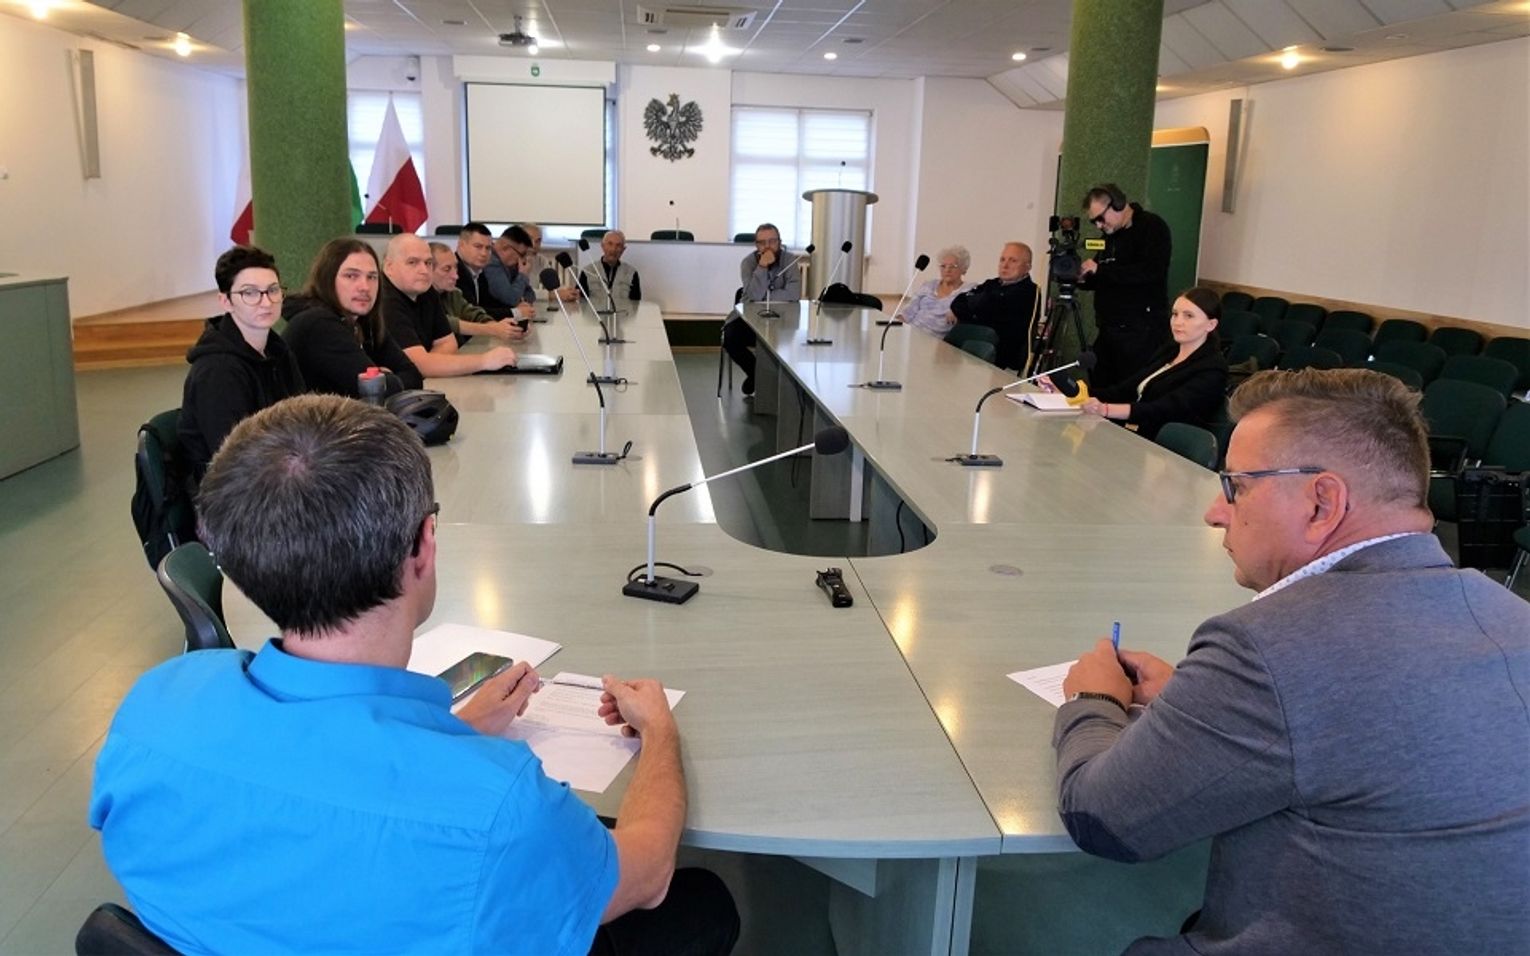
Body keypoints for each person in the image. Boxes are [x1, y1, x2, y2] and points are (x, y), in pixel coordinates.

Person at [91, 396, 741, 956]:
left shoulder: (153, 706)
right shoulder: (499, 808)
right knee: (704, 903)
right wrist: (659, 733)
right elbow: (647, 875)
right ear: (424, 545)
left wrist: (454, 733)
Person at [1054, 368, 1530, 955]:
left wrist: (1095, 699)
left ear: (1321, 502)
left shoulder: (1264, 648)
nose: (1215, 512)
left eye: (1235, 487)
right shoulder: (1512, 615)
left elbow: (1102, 818)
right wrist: (1198, 704)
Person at [177, 245, 303, 483]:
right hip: (229, 488)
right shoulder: (217, 370)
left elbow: (300, 417)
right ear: (225, 301)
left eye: (273, 290)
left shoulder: (279, 351)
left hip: (276, 471)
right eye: (250, 293)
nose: (266, 302)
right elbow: (232, 458)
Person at [1072, 287, 1229, 441]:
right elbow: (1124, 391)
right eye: (1175, 314)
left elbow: (1164, 409)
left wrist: (1105, 409)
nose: (1178, 322)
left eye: (1189, 316)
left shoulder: (1212, 368)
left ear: (1211, 325)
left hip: (1163, 445)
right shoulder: (1170, 351)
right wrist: (1072, 391)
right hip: (1135, 432)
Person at [284, 238, 423, 398]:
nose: (365, 287)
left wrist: (383, 379)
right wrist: (387, 377)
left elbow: (414, 376)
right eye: (351, 276)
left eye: (372, 277)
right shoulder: (318, 323)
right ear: (328, 279)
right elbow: (375, 390)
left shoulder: (365, 322)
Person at [382, 233, 518, 377]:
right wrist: (485, 361)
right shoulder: (385, 301)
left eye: (428, 263)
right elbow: (419, 365)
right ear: (389, 267)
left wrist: (430, 363)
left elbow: (449, 343)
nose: (424, 270)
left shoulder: (426, 291)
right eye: (412, 262)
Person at [1077, 183, 1172, 386]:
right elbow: (1104, 275)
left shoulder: (1152, 227)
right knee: (1100, 387)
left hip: (1140, 332)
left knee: (1129, 390)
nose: (1099, 226)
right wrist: (1083, 278)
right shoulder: (1110, 236)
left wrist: (1101, 270)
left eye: (1100, 218)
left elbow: (1150, 272)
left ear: (1117, 204)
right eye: (1094, 222)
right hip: (1109, 330)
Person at [723, 222, 801, 396]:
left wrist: (764, 296)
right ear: (756, 245)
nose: (767, 246)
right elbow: (753, 295)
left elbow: (794, 294)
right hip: (750, 317)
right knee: (730, 337)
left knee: (791, 340)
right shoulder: (748, 263)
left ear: (779, 242)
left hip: (782, 320)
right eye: (762, 242)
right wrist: (762, 267)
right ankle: (756, 374)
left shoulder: (790, 261)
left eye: (772, 241)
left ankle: (773, 381)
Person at [948, 242, 1040, 372]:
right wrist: (975, 309)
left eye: (1013, 261)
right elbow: (959, 301)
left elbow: (996, 319)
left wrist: (973, 309)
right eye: (1002, 259)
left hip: (999, 361)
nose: (1005, 265)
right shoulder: (991, 284)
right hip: (971, 351)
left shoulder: (1030, 292)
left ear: (1027, 267)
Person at [428, 241, 530, 345]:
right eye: (447, 269)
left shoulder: (453, 293)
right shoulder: (422, 297)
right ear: (428, 270)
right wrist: (492, 329)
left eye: (455, 267)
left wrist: (503, 328)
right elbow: (447, 322)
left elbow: (474, 314)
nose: (456, 276)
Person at [897, 244, 974, 336]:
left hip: (936, 340)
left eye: (953, 266)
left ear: (964, 269)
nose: (947, 270)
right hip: (911, 333)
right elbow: (907, 312)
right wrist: (894, 327)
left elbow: (973, 305)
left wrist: (957, 310)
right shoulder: (929, 285)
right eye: (943, 266)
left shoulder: (967, 290)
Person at [454, 221, 518, 316]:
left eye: (488, 248)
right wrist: (515, 313)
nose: (484, 253)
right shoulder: (454, 272)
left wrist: (516, 309)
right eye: (478, 247)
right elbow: (472, 312)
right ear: (461, 245)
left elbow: (488, 303)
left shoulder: (478, 271)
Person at [579, 230, 642, 311]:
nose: (613, 249)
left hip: (623, 317)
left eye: (618, 245)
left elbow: (635, 304)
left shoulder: (631, 273)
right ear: (602, 246)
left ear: (623, 249)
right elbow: (580, 301)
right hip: (594, 317)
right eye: (610, 244)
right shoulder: (587, 271)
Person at [485, 225, 539, 315]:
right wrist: (523, 275)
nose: (523, 259)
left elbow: (530, 294)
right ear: (505, 248)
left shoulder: (509, 265)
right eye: (522, 254)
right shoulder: (491, 262)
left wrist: (521, 301)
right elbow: (511, 299)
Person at [524, 222, 579, 303]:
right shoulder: (512, 261)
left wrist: (568, 291)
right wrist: (553, 295)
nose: (534, 245)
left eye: (538, 241)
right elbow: (522, 293)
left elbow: (554, 286)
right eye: (529, 239)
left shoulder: (541, 260)